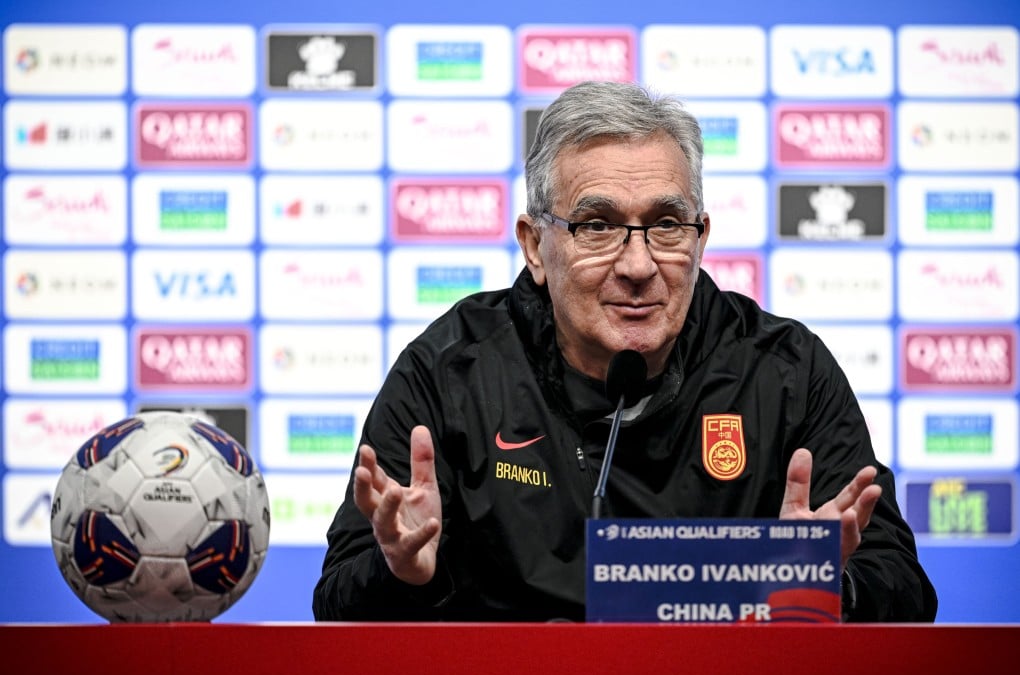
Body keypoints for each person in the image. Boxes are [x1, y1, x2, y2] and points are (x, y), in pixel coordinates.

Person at [312, 80, 938, 622]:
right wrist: (404, 573)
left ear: (700, 239)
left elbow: (908, 590)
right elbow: (335, 601)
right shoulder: (449, 372)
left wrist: (821, 585)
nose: (638, 265)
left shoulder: (784, 371)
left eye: (666, 224)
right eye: (598, 226)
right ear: (535, 246)